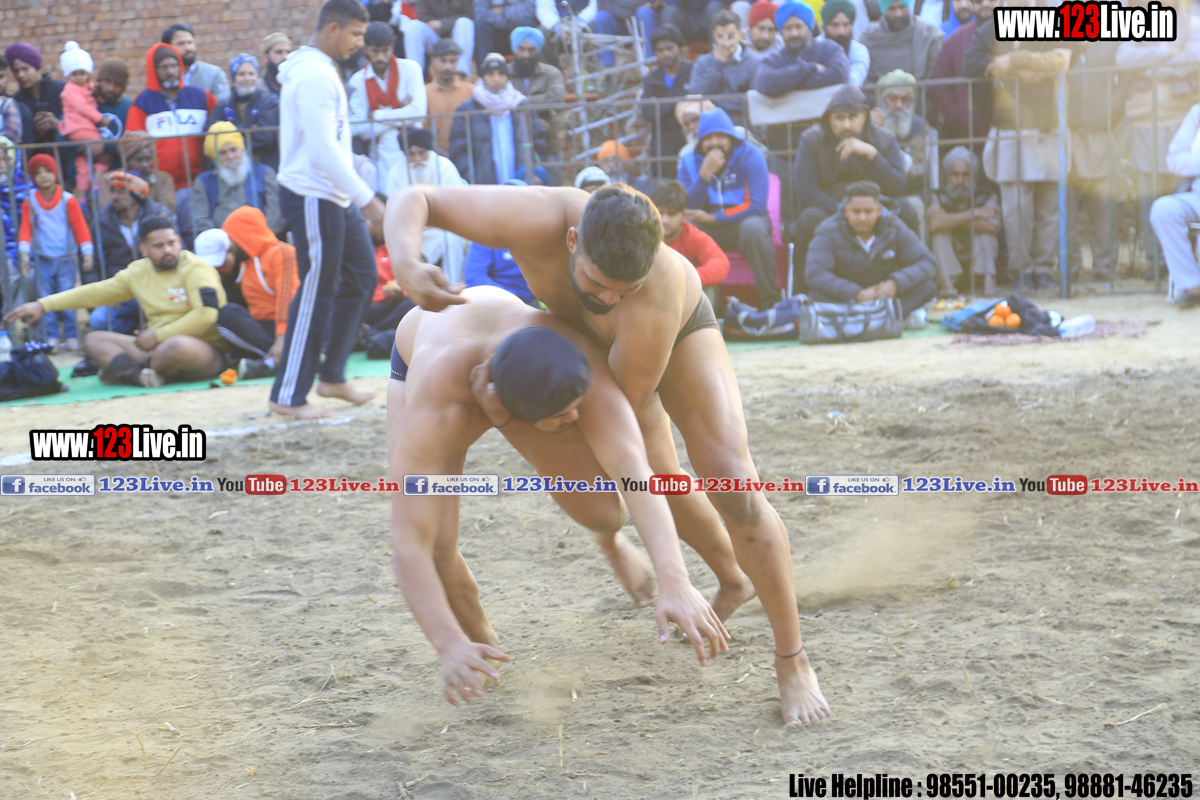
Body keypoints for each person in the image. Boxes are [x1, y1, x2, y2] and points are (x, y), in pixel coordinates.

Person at [385, 182, 830, 727]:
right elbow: (418, 198)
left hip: (657, 335)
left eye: (625, 289)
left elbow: (628, 468)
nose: (608, 299)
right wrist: (406, 262)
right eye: (596, 284)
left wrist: (669, 576)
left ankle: (791, 657)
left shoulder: (649, 301)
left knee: (726, 481)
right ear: (572, 241)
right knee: (448, 532)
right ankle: (480, 654)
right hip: (502, 353)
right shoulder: (536, 218)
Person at [388, 286, 730, 705]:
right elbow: (408, 542)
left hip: (513, 352)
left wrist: (675, 581)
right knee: (438, 543)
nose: (576, 420)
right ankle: (484, 649)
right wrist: (447, 643)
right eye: (562, 418)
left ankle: (609, 540)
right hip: (425, 349)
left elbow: (635, 475)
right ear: (512, 414)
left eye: (577, 410)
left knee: (602, 513)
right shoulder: (440, 409)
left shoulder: (578, 361)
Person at [271, 0, 388, 419]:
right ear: (334, 29)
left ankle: (333, 375)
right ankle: (287, 395)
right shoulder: (314, 75)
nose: (360, 43)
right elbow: (322, 150)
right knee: (317, 289)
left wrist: (356, 194)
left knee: (362, 276)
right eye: (356, 34)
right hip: (312, 194)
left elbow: (332, 145)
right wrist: (368, 199)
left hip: (333, 193)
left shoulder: (320, 70)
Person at [5, 215, 229, 387]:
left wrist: (158, 335)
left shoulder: (196, 267)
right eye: (159, 246)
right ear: (144, 249)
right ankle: (139, 375)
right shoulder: (137, 272)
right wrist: (43, 305)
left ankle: (127, 371)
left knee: (176, 346)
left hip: (199, 349)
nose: (168, 250)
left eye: (171, 243)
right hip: (153, 348)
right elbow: (96, 292)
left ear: (179, 242)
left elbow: (207, 313)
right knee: (93, 339)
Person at [965, 7, 1073, 289]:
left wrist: (1012, 61)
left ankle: (1044, 269)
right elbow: (972, 63)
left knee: (1050, 206)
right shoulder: (991, 28)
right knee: (1016, 208)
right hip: (1009, 128)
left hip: (1049, 125)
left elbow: (1062, 58)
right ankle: (1021, 270)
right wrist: (1016, 69)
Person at [792, 84, 910, 282]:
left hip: (874, 207)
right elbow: (806, 190)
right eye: (839, 118)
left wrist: (872, 154)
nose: (846, 125)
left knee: (906, 209)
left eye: (852, 117)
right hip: (829, 207)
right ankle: (803, 292)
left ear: (864, 116)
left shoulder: (884, 139)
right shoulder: (811, 139)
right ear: (829, 118)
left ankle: (904, 283)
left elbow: (898, 187)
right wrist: (846, 213)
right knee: (809, 218)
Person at [676, 108, 776, 307]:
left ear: (731, 137)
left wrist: (714, 219)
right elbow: (686, 208)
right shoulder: (688, 161)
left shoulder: (750, 155)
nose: (714, 142)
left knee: (755, 228)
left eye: (720, 136)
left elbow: (756, 206)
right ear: (700, 141)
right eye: (708, 138)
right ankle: (687, 304)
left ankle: (771, 303)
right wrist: (704, 175)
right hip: (706, 228)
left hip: (742, 224)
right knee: (685, 228)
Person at [127, 42, 219, 249]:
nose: (170, 71)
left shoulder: (201, 96)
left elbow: (221, 123)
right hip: (160, 188)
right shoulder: (142, 102)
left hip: (197, 184)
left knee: (199, 235)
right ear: (154, 71)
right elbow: (132, 144)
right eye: (163, 67)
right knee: (171, 241)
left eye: (173, 65)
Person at [805, 179, 936, 318]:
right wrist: (857, 293)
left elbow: (928, 261)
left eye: (868, 211)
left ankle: (874, 317)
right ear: (846, 210)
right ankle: (882, 318)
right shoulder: (827, 230)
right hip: (847, 299)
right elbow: (815, 274)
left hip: (884, 296)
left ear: (879, 210)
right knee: (816, 296)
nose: (862, 218)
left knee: (928, 287)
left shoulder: (894, 226)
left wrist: (895, 283)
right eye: (856, 211)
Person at [210, 206, 301, 378]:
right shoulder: (246, 263)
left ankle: (281, 360)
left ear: (244, 234)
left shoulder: (282, 252)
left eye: (232, 238)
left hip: (291, 324)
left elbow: (288, 298)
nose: (230, 245)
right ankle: (282, 359)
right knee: (227, 313)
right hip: (264, 327)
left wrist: (281, 337)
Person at [17, 154, 94, 351]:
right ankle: (51, 336)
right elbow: (25, 228)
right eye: (38, 173)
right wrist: (24, 252)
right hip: (43, 258)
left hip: (67, 258)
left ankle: (71, 334)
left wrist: (87, 251)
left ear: (56, 173)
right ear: (33, 178)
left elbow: (80, 227)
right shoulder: (30, 201)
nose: (44, 176)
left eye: (48, 171)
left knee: (67, 297)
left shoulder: (69, 200)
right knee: (45, 299)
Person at [349, 21, 429, 187]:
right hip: (381, 156)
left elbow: (419, 112)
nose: (380, 57)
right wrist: (402, 111)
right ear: (365, 49)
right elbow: (361, 129)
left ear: (392, 47)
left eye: (385, 50)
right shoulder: (357, 81)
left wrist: (377, 115)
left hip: (416, 151)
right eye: (375, 51)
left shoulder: (411, 69)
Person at [91, 171, 171, 334]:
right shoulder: (101, 222)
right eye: (113, 191)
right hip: (120, 293)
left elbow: (176, 253)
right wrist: (106, 295)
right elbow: (94, 264)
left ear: (136, 195)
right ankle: (136, 329)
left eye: (121, 192)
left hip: (156, 289)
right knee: (98, 320)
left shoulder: (160, 216)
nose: (114, 197)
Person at [448, 53, 547, 185]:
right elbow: (458, 151)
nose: (496, 79)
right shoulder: (467, 109)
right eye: (490, 74)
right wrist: (472, 177)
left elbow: (538, 143)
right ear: (482, 77)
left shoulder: (521, 105)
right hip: (484, 185)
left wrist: (533, 173)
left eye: (501, 74)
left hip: (521, 180)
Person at [384, 127, 468, 281]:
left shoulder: (445, 167)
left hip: (443, 228)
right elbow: (392, 210)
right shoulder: (395, 173)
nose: (417, 159)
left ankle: (451, 284)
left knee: (451, 239)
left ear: (429, 151)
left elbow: (457, 205)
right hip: (410, 231)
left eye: (421, 153)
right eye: (411, 154)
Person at [927, 0, 997, 154]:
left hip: (1010, 127)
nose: (985, 4)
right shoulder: (958, 37)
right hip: (970, 133)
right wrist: (960, 114)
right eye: (979, 0)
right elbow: (937, 82)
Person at [1148, 101, 1200, 307]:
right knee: (1163, 209)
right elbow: (1174, 159)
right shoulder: (1197, 112)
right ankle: (1192, 285)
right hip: (1196, 195)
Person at [927, 147, 999, 295]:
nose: (960, 181)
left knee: (984, 232)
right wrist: (974, 213)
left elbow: (991, 227)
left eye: (966, 175)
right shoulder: (937, 196)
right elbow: (934, 225)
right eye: (955, 175)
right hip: (950, 260)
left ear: (974, 176)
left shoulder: (987, 195)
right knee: (939, 234)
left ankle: (988, 280)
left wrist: (948, 219)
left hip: (976, 259)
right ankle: (946, 284)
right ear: (947, 176)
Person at [191, 122, 282, 235]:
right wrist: (224, 241)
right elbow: (201, 219)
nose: (230, 157)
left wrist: (258, 237)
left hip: (262, 238)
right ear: (215, 158)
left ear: (242, 149)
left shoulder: (265, 174)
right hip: (224, 242)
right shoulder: (204, 182)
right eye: (222, 153)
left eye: (234, 149)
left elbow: (275, 215)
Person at [685, 10, 764, 128]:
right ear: (714, 35)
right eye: (720, 36)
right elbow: (694, 97)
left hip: (743, 127)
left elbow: (753, 102)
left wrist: (714, 104)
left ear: (740, 34)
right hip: (710, 128)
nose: (725, 42)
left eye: (730, 36)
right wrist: (718, 64)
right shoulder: (703, 62)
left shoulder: (755, 62)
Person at [752, 1, 849, 97]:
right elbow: (765, 83)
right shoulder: (775, 59)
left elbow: (840, 74)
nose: (794, 33)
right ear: (782, 32)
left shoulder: (829, 49)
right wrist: (809, 68)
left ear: (809, 28)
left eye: (799, 27)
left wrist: (785, 84)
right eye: (788, 28)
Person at [653, 179, 730, 294]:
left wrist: (691, 278)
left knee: (707, 289)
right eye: (660, 213)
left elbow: (721, 263)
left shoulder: (692, 236)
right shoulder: (642, 236)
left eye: (672, 214)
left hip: (686, 292)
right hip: (653, 293)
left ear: (684, 215)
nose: (665, 220)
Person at [58, 42, 116, 195]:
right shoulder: (70, 90)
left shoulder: (85, 86)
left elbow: (91, 89)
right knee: (103, 154)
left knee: (82, 163)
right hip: (81, 128)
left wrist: (96, 88)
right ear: (68, 75)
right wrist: (100, 119)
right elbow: (83, 107)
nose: (79, 77)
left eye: (82, 73)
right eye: (74, 74)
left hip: (79, 129)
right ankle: (96, 186)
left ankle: (83, 196)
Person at [208, 54, 282, 171]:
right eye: (241, 74)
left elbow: (265, 137)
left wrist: (228, 132)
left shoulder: (270, 101)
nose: (247, 78)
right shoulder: (223, 105)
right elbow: (211, 133)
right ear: (233, 78)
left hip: (265, 168)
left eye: (251, 74)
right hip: (231, 169)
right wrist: (249, 130)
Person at [640, 27, 693, 178]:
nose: (665, 54)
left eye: (669, 48)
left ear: (680, 47)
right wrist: (679, 101)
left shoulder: (694, 71)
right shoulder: (652, 79)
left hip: (690, 137)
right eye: (660, 50)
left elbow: (695, 107)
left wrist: (661, 104)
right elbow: (647, 113)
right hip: (663, 145)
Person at [871, 70, 929, 192]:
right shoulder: (870, 122)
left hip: (910, 190)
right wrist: (869, 128)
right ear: (882, 100)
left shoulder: (919, 126)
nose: (899, 105)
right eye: (893, 98)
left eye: (905, 99)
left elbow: (916, 168)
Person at [859, 0, 942, 85]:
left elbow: (935, 78)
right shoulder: (869, 39)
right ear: (884, 10)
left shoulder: (928, 35)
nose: (898, 14)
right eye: (892, 9)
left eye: (902, 7)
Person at [97, 133, 177, 213]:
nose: (145, 165)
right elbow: (106, 212)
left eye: (148, 159)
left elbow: (168, 207)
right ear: (126, 161)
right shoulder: (108, 179)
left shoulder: (163, 178)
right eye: (139, 160)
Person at [7, 43, 65, 147]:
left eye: (25, 69)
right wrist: (36, 135)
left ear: (38, 67)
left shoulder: (62, 89)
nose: (20, 75)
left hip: (66, 154)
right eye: (16, 71)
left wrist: (59, 125)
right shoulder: (15, 101)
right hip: (36, 156)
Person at [424, 40, 475, 155]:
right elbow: (424, 131)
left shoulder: (471, 91)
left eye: (452, 61)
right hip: (436, 158)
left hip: (468, 156)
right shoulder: (424, 93)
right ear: (433, 61)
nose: (448, 66)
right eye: (443, 61)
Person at [162, 22, 232, 105]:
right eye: (181, 43)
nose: (188, 48)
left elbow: (222, 107)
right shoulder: (162, 77)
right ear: (168, 48)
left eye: (190, 42)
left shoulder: (213, 74)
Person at [409, 0, 475, 75]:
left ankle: (461, 74)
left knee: (464, 22)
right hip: (434, 37)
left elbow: (470, 15)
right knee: (414, 26)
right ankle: (414, 74)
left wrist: (442, 24)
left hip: (459, 38)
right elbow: (424, 18)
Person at [591, 0, 661, 66]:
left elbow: (651, 2)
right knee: (601, 18)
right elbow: (604, 6)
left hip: (643, 20)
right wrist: (632, 11)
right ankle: (607, 67)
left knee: (645, 12)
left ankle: (652, 62)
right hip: (619, 23)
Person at [816, 0, 868, 87]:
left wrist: (822, 70)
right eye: (835, 25)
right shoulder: (813, 46)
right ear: (825, 26)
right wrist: (845, 72)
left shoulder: (859, 50)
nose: (841, 31)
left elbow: (854, 82)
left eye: (846, 25)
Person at [473, 0, 540, 65]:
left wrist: (501, 11)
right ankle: (485, 69)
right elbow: (481, 13)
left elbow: (530, 8)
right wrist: (506, 23)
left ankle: (534, 69)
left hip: (521, 29)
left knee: (529, 23)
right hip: (497, 32)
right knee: (480, 26)